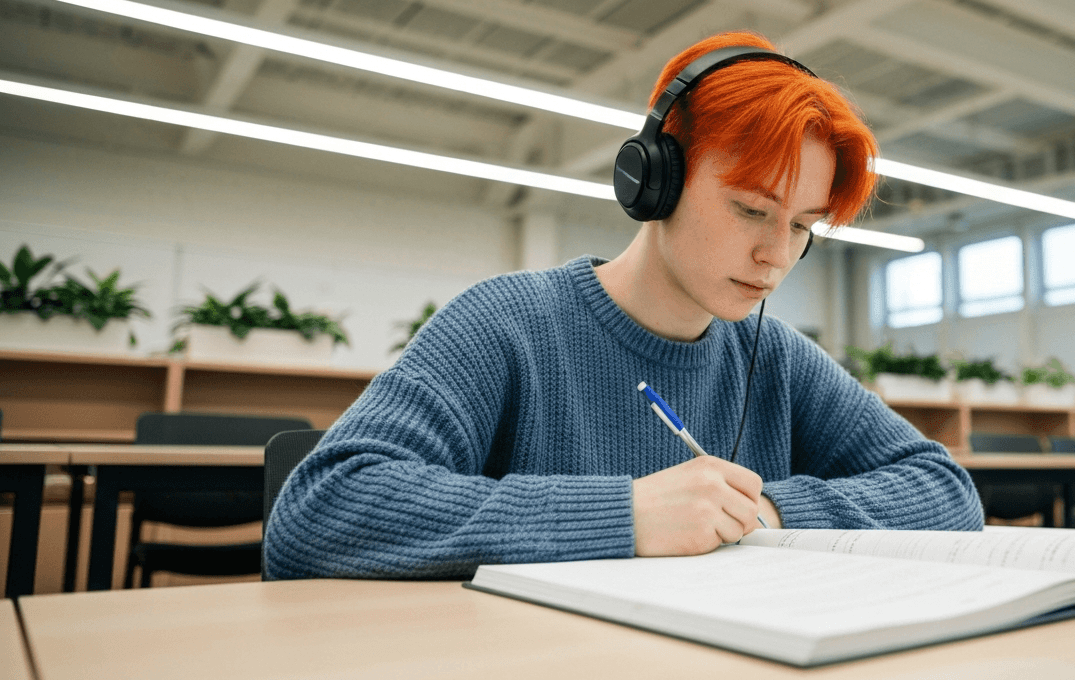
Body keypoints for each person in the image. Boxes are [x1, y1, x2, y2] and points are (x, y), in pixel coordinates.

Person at [263, 31, 983, 580]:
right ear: (655, 180)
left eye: (801, 227)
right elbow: (319, 511)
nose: (777, 256)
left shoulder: (779, 360)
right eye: (750, 210)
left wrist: (764, 512)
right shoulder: (505, 324)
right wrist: (625, 516)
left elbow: (947, 492)